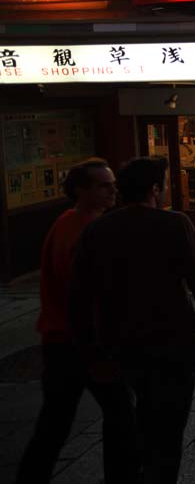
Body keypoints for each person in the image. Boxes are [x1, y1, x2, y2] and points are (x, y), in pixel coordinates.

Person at [69, 157, 195, 483]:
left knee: (134, 417)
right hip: (173, 340)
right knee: (168, 427)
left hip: (121, 342)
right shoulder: (175, 224)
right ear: (155, 189)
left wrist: (90, 350)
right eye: (167, 182)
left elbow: (80, 296)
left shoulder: (97, 231)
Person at [17, 160, 138, 484]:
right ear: (81, 191)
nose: (113, 190)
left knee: (55, 422)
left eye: (112, 183)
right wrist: (98, 349)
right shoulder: (84, 232)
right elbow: (85, 296)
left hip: (60, 339)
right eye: (103, 185)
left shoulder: (67, 222)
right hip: (79, 341)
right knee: (120, 414)